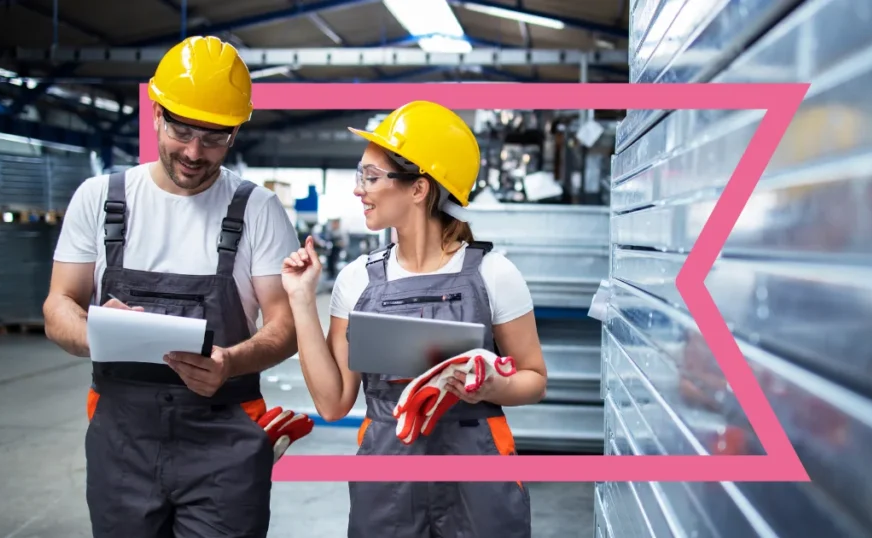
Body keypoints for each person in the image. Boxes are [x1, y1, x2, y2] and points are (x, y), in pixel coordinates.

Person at [43, 36, 302, 538]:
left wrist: (230, 362)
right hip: (122, 439)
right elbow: (59, 304)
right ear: (156, 114)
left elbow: (287, 324)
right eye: (181, 131)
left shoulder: (257, 210)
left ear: (235, 134)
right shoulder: (100, 199)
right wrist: (101, 331)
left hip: (224, 438)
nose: (193, 152)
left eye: (214, 138)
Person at [281, 100, 548, 537]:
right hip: (387, 483)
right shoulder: (355, 281)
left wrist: (491, 386)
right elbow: (333, 403)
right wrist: (300, 299)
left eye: (371, 177)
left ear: (418, 189)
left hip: (477, 481)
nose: (358, 189)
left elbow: (534, 377)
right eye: (359, 176)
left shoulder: (494, 274)